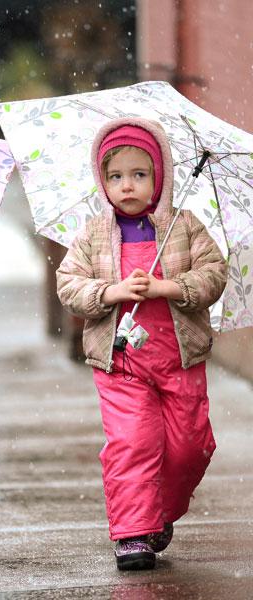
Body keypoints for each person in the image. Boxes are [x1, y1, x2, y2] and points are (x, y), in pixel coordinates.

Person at [56, 118, 227, 570]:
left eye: (139, 174)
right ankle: (133, 532)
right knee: (132, 442)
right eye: (115, 177)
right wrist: (110, 292)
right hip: (122, 362)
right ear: (102, 181)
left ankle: (159, 513)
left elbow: (213, 275)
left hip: (179, 360)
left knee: (190, 447)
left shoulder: (185, 227)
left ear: (160, 178)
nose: (126, 186)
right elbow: (69, 284)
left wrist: (168, 288)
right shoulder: (95, 233)